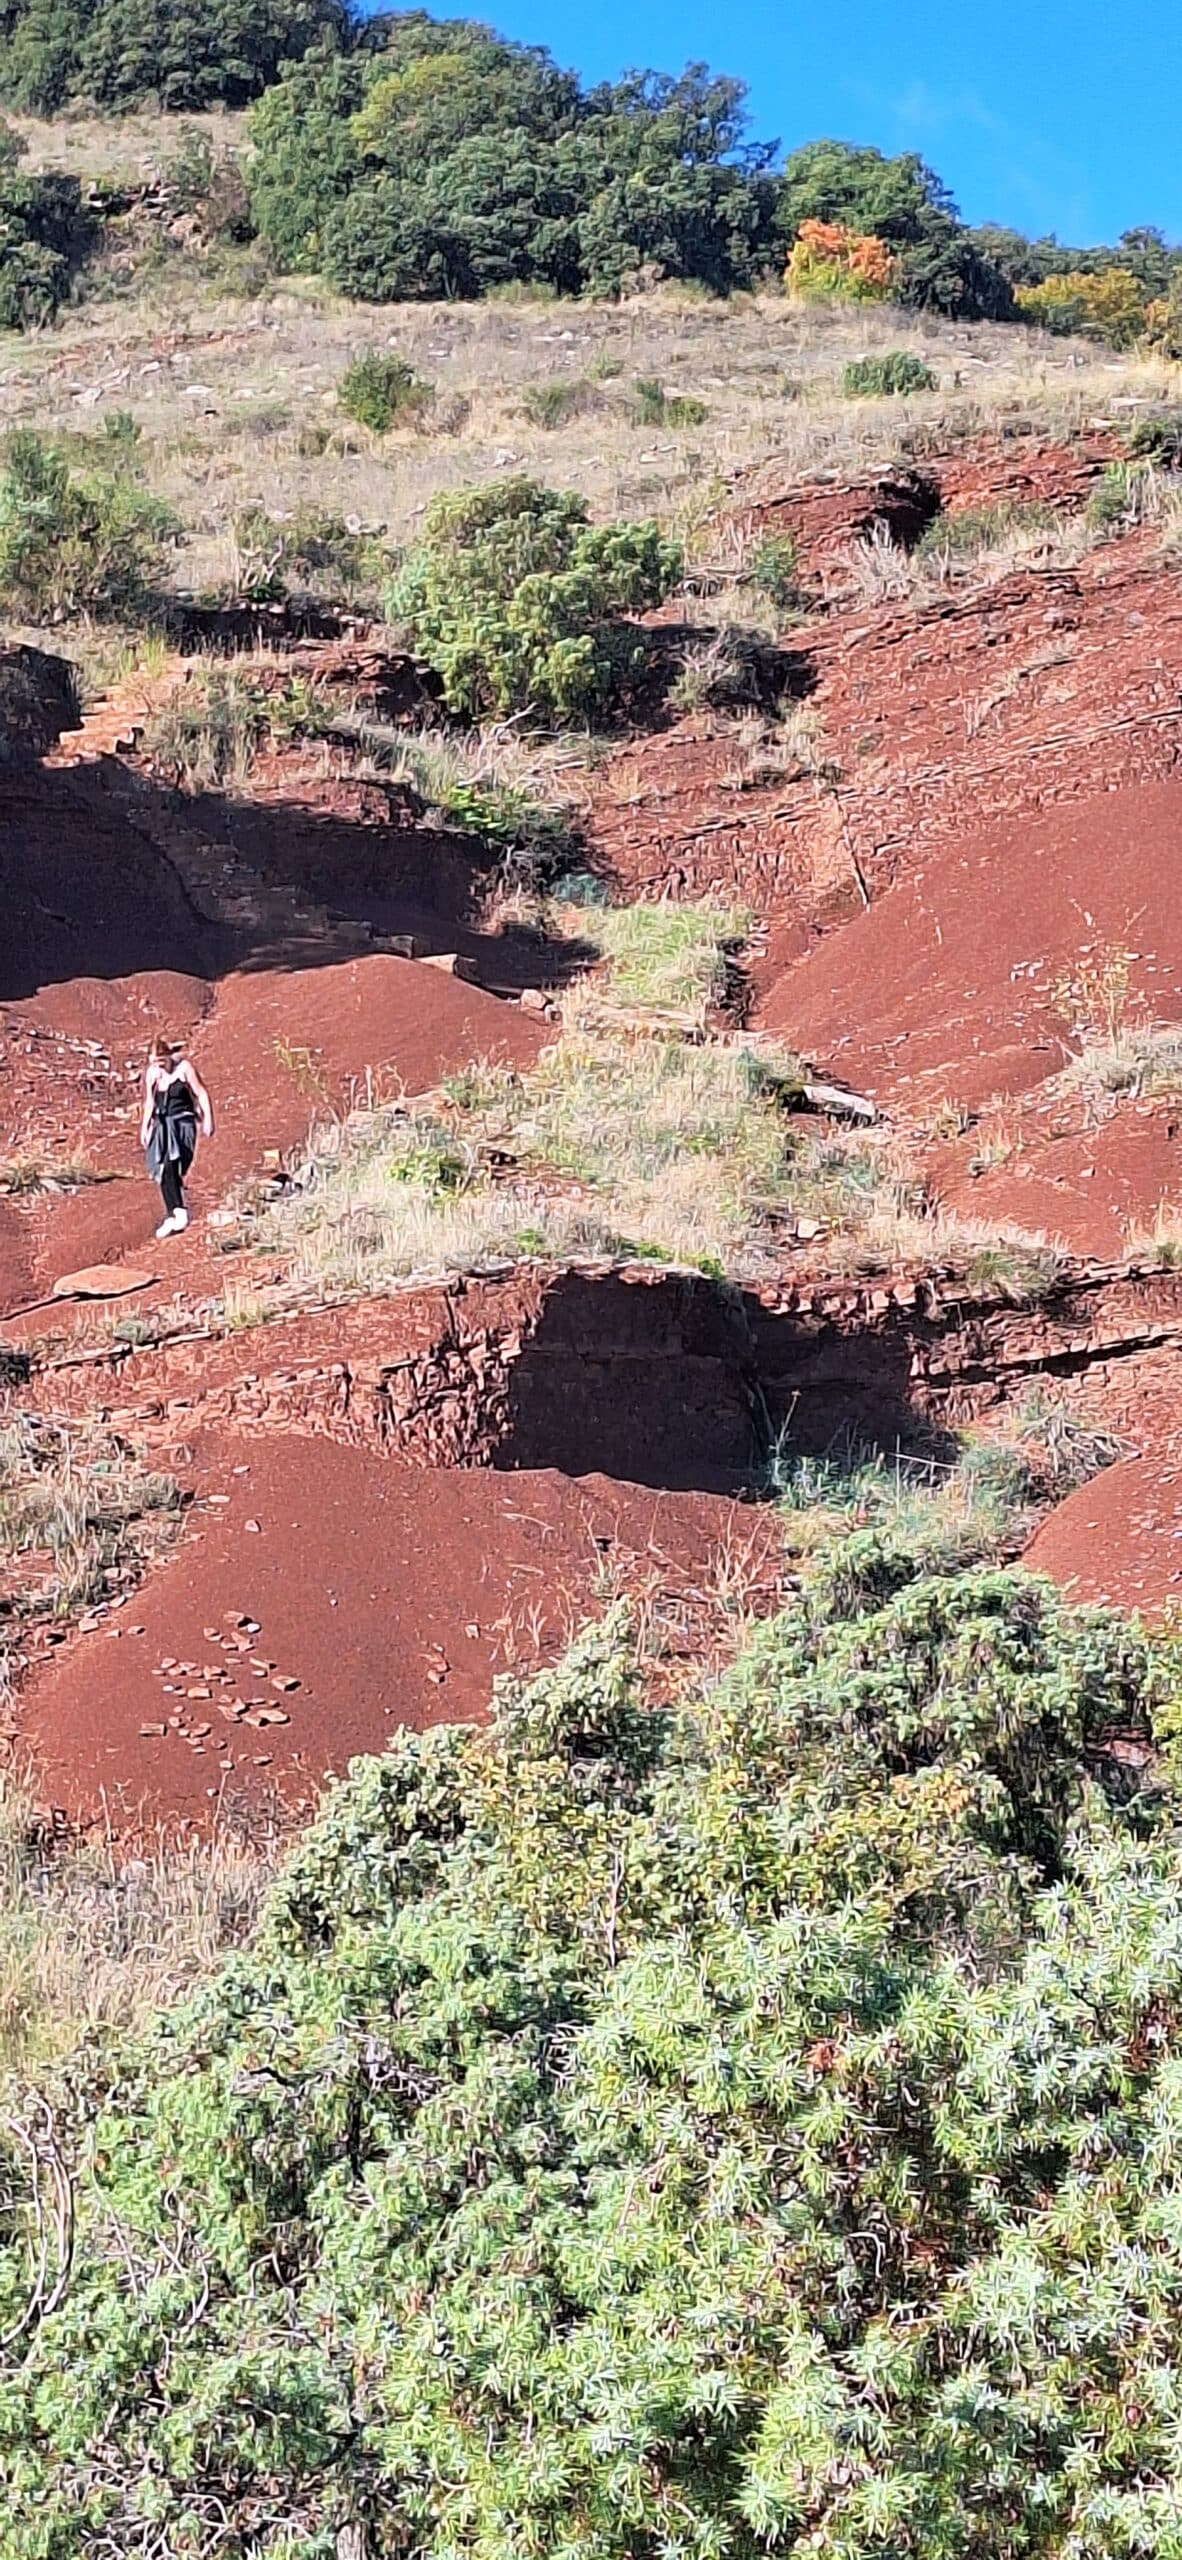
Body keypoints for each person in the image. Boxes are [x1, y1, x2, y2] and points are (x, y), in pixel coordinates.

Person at [140, 1037, 214, 1239]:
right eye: (155, 1062)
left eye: (161, 1061)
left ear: (168, 1056)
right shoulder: (152, 1074)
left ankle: (177, 1210)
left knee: (177, 1163)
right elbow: (150, 1102)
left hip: (182, 1123)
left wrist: (208, 1119)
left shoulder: (184, 1069)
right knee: (164, 1166)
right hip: (162, 1125)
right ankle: (175, 1212)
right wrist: (145, 1127)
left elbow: (201, 1093)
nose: (159, 1065)